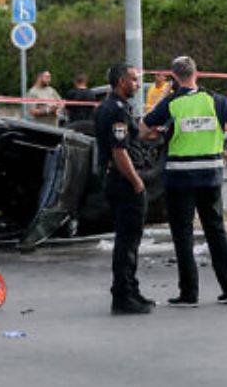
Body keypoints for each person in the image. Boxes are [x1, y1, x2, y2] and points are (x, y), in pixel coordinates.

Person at [142, 56, 227, 308]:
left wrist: (163, 120)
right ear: (196, 73)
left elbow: (144, 128)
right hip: (211, 176)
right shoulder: (215, 100)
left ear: (174, 77)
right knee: (216, 231)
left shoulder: (172, 103)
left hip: (180, 178)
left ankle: (189, 294)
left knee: (183, 235)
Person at [94, 63, 152, 315]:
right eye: (134, 79)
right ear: (121, 82)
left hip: (117, 180)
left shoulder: (112, 107)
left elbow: (127, 139)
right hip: (124, 182)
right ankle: (123, 296)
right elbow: (119, 151)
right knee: (127, 241)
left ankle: (131, 289)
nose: (137, 84)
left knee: (129, 240)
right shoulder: (116, 110)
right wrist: (136, 181)